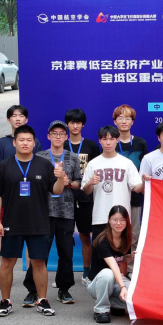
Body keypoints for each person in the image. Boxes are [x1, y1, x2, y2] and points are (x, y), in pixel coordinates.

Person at [0, 125, 65, 317]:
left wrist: (60, 179)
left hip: (38, 221)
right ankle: (5, 301)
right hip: (11, 221)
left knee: (39, 262)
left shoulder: (44, 165)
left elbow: (56, 191)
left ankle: (43, 300)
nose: (25, 143)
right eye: (21, 140)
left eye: (29, 140)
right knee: (7, 262)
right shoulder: (4, 166)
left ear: (34, 143)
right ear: (14, 142)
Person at [23, 120, 82, 306]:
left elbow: (79, 183)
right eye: (54, 133)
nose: (58, 136)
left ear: (66, 137)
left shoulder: (73, 157)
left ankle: (64, 290)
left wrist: (68, 182)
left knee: (66, 253)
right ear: (48, 136)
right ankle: (32, 291)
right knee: (39, 253)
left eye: (61, 134)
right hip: (43, 212)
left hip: (66, 211)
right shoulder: (39, 157)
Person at [81, 126, 144, 241]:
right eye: (105, 139)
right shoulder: (93, 164)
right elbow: (87, 191)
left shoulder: (127, 163)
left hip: (122, 218)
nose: (108, 143)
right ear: (100, 141)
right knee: (100, 250)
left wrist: (145, 181)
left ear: (117, 140)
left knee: (121, 251)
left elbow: (137, 187)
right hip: (100, 217)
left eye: (111, 139)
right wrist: (90, 183)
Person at [64, 108, 101, 285]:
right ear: (67, 124)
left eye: (78, 122)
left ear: (83, 124)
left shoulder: (91, 146)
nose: (75, 126)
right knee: (65, 238)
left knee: (86, 236)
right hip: (65, 198)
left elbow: (97, 170)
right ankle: (64, 273)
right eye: (72, 122)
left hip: (86, 199)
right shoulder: (63, 145)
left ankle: (86, 272)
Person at [112, 104, 147, 275]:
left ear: (132, 122)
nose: (124, 121)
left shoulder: (140, 143)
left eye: (128, 118)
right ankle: (114, 268)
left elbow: (145, 168)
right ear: (115, 121)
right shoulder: (111, 142)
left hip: (135, 196)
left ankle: (132, 269)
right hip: (115, 196)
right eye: (120, 118)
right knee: (115, 232)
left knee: (134, 233)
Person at [87, 206, 132, 324]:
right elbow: (113, 265)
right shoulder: (103, 240)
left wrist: (128, 257)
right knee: (108, 273)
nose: (119, 223)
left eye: (122, 220)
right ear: (109, 220)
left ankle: (115, 304)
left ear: (127, 221)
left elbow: (120, 263)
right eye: (115, 220)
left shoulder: (126, 238)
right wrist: (122, 287)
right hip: (97, 283)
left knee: (135, 295)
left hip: (115, 281)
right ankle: (101, 310)